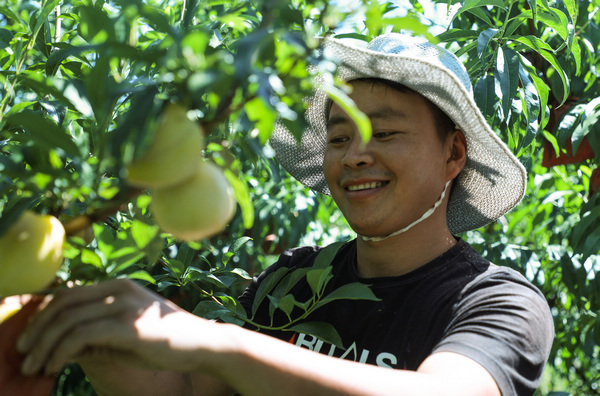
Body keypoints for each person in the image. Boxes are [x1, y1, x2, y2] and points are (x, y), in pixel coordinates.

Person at [16, 33, 554, 395]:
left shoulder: (499, 302)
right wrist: (86, 333)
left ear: (453, 154)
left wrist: (212, 339)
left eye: (383, 132)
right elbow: (186, 387)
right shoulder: (295, 279)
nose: (355, 155)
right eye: (339, 138)